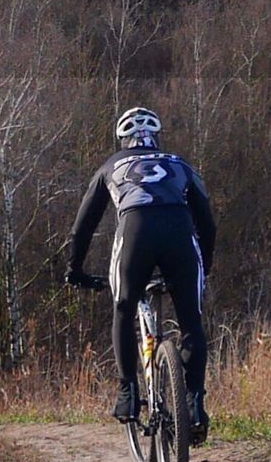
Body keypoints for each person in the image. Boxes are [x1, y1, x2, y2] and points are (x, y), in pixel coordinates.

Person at [64, 106, 215, 443]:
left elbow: (83, 225)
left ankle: (128, 393)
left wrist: (74, 269)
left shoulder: (111, 165)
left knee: (124, 307)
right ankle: (193, 405)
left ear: (122, 139)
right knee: (191, 323)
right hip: (180, 233)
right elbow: (207, 222)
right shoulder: (180, 164)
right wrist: (204, 266)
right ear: (156, 138)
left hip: (136, 232)